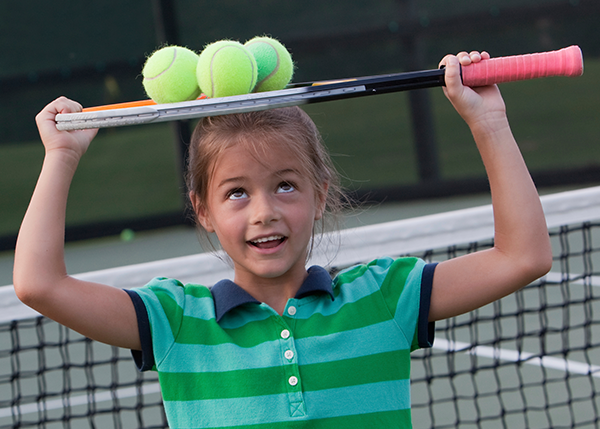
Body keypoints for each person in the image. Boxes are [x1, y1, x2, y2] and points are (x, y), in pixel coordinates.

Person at [13, 51, 552, 428]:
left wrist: (489, 124)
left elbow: (522, 257)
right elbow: (39, 284)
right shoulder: (173, 321)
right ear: (203, 209)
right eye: (237, 193)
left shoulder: (385, 298)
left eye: (285, 186)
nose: (265, 213)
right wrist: (61, 158)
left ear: (320, 195)